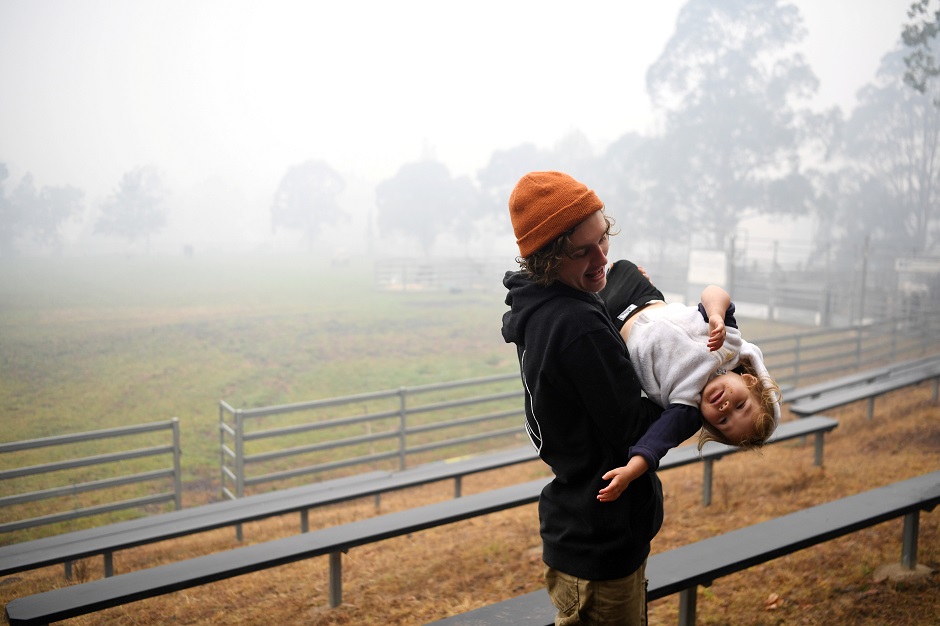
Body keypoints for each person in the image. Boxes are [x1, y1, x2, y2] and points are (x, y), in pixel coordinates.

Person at [500, 171, 665, 625]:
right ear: (549, 259)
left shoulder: (542, 305)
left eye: (603, 239)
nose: (601, 258)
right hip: (602, 543)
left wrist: (630, 288)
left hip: (583, 528)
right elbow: (636, 426)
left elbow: (592, 311)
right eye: (582, 251)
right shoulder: (576, 327)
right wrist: (686, 387)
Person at [596, 259, 782, 503]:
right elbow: (714, 293)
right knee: (621, 266)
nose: (726, 408)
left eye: (724, 421)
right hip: (643, 298)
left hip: (613, 323)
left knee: (577, 299)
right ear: (748, 380)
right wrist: (716, 314)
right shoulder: (729, 343)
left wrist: (630, 472)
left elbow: (656, 443)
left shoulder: (687, 407)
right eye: (741, 405)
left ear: (709, 423)